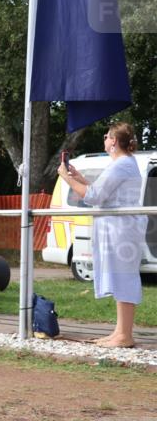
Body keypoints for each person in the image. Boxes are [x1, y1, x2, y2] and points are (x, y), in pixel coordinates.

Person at [58, 122, 145, 348]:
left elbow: (95, 196)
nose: (105, 139)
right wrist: (78, 177)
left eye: (107, 136)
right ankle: (119, 332)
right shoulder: (123, 163)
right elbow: (105, 192)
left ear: (114, 141)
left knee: (124, 277)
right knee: (120, 277)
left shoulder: (121, 164)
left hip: (121, 230)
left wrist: (66, 178)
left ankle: (125, 335)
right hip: (120, 229)